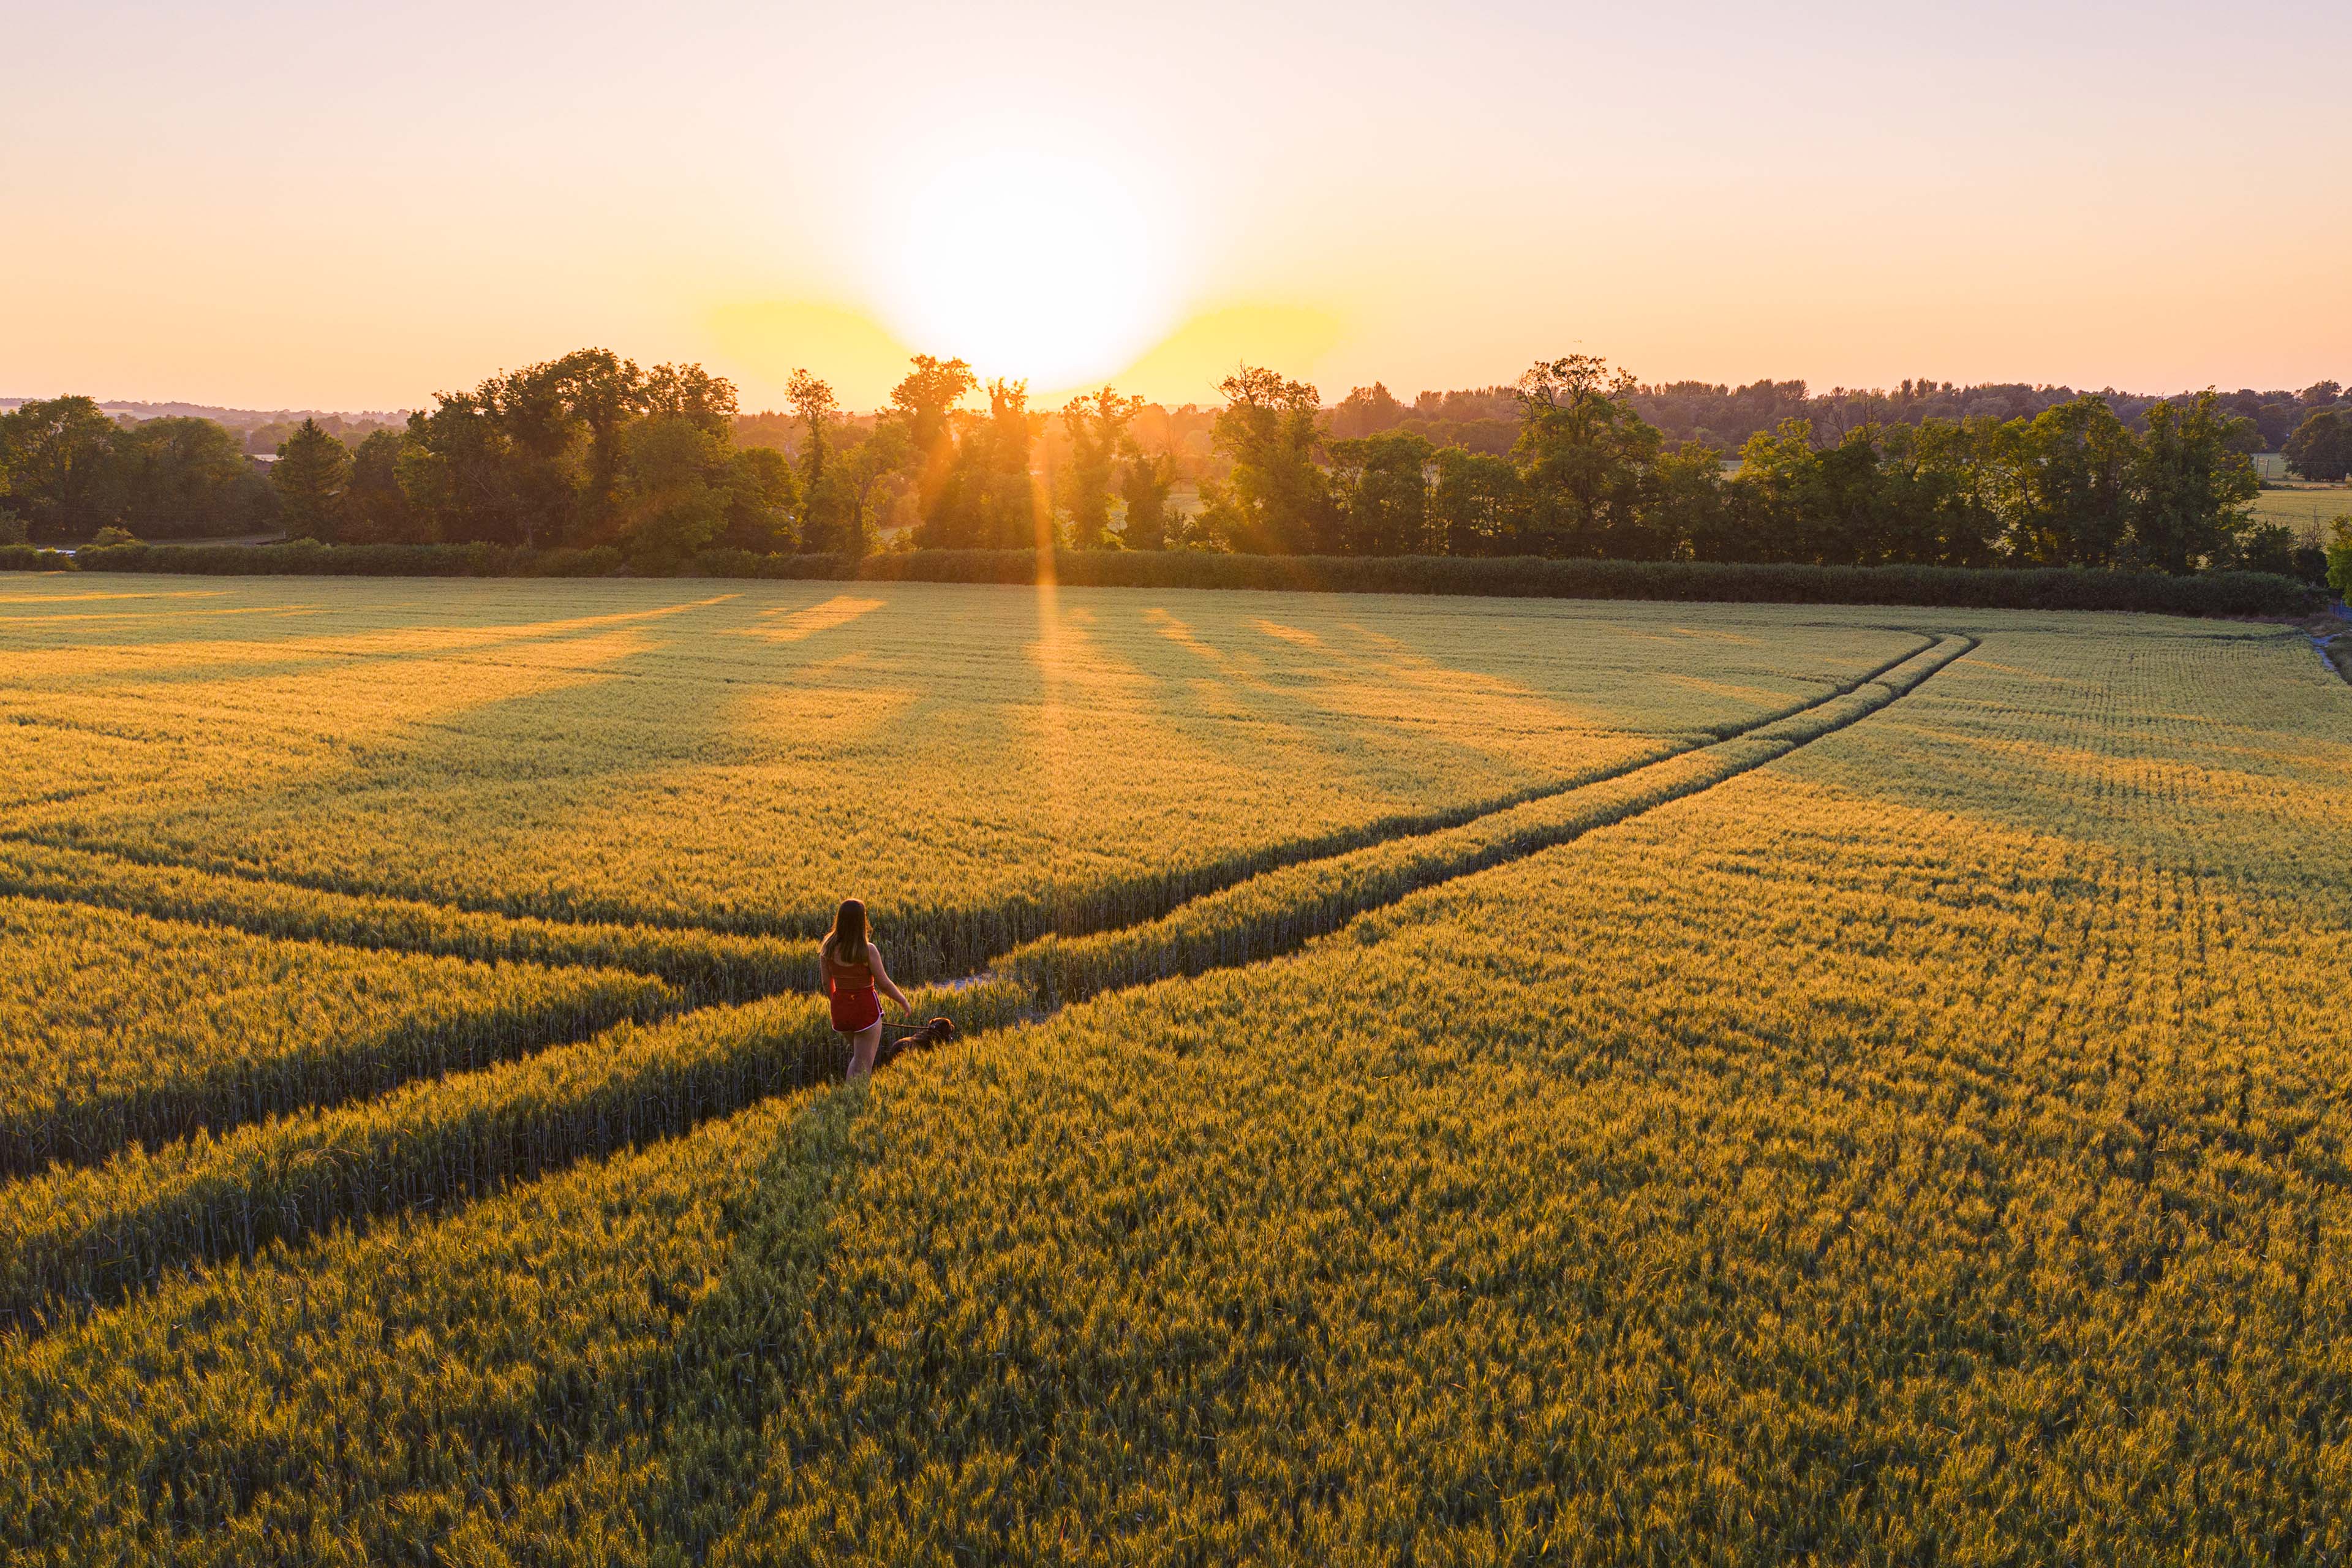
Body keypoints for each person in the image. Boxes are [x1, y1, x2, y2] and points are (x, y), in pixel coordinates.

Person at [819, 897, 909, 1080]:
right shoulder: (867, 950)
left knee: (858, 1058)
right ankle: (855, 1103)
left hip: (840, 1010)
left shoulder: (827, 948)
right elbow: (884, 984)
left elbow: (826, 985)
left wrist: (841, 1004)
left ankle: (850, 1100)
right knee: (863, 1065)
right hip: (865, 1010)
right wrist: (903, 1001)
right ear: (862, 921)